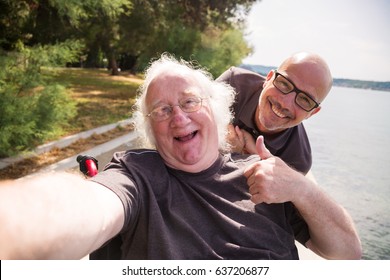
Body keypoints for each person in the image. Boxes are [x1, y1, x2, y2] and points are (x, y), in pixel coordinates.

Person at [0, 54, 361, 260]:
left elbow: (348, 254)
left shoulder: (290, 166)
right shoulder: (136, 173)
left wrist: (300, 188)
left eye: (190, 102)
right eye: (161, 110)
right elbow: (86, 207)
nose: (179, 117)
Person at [217, 52, 333, 174]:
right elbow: (196, 116)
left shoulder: (297, 161)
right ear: (269, 78)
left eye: (305, 100)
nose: (285, 104)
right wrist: (224, 132)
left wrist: (253, 158)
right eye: (284, 84)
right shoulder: (233, 83)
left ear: (312, 113)